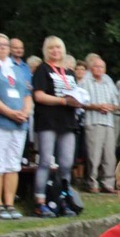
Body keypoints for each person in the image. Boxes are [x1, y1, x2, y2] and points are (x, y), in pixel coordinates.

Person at [0, 33, 33, 219]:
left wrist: (25, 111)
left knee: (12, 164)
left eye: (6, 45)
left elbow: (27, 93)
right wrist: (10, 113)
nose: (4, 47)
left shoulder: (17, 69)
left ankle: (10, 203)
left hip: (19, 123)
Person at [32, 36, 83, 218]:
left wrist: (78, 101)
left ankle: (63, 199)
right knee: (45, 160)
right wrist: (62, 100)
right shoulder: (42, 70)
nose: (55, 51)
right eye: (52, 48)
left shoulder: (69, 72)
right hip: (48, 120)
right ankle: (40, 202)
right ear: (46, 50)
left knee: (66, 163)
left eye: (58, 48)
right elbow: (39, 96)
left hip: (67, 121)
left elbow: (75, 95)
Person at [80, 57, 120, 193]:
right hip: (93, 120)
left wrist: (111, 107)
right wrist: (97, 106)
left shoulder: (108, 81)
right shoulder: (85, 81)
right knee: (94, 155)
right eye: (96, 67)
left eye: (101, 67)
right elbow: (81, 102)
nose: (99, 69)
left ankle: (108, 183)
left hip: (108, 122)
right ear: (91, 68)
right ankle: (92, 182)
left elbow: (117, 102)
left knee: (109, 154)